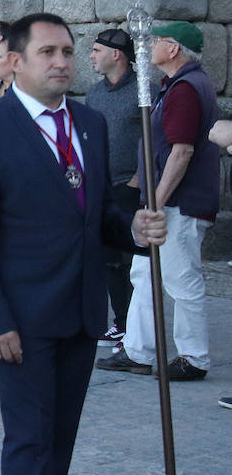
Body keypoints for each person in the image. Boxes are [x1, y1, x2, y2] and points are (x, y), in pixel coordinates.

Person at [0, 12, 166, 475]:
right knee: (29, 439)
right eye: (47, 52)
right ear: (15, 61)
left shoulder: (89, 124)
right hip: (20, 318)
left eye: (67, 51)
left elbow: (94, 214)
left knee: (59, 440)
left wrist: (133, 229)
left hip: (81, 311)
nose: (62, 62)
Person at [98, 20, 219, 381]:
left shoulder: (185, 89)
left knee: (181, 278)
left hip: (178, 202)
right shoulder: (178, 85)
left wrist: (155, 202)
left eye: (158, 41)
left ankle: (194, 357)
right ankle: (138, 350)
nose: (150, 46)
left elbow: (182, 151)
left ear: (174, 49)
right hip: (169, 201)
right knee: (145, 273)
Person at [84, 28, 147, 348]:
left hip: (129, 187)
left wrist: (139, 179)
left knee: (132, 262)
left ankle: (137, 332)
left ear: (116, 54)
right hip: (100, 188)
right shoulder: (94, 94)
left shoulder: (144, 91)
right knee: (109, 261)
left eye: (96, 50)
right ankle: (121, 324)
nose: (91, 56)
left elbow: (154, 139)